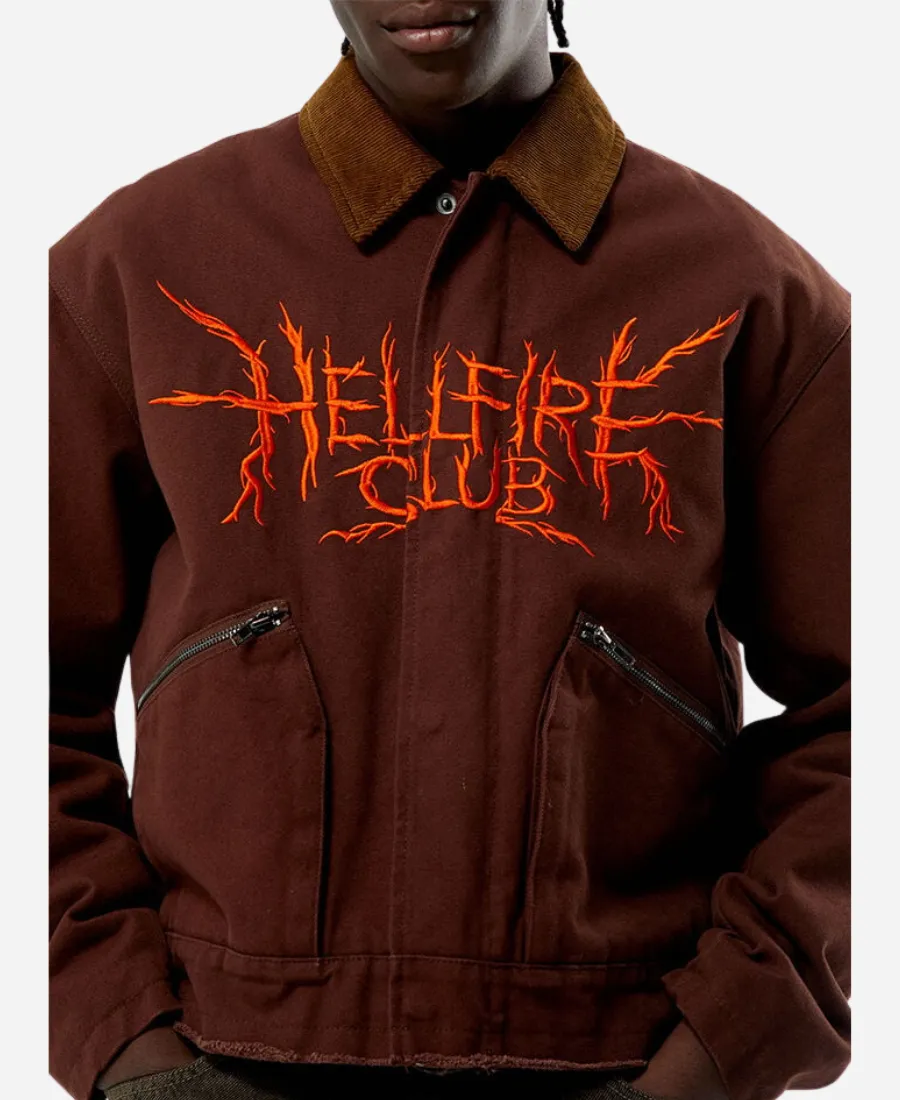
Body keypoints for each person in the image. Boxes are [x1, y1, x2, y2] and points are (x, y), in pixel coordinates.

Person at [48, 2, 851, 1099]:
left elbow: (862, 716)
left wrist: (723, 1047)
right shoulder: (139, 268)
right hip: (222, 1051)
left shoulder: (745, 294)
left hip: (621, 1053)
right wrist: (126, 1046)